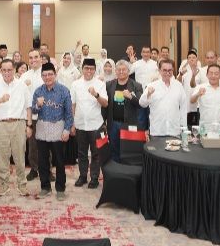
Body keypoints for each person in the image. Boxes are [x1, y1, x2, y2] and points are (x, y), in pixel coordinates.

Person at [0, 59, 32, 197]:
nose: (7, 73)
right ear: (0, 70)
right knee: (2, 156)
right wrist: (0, 100)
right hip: (0, 125)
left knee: (20, 156)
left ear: (14, 70)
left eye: (9, 70)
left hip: (18, 124)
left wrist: (29, 125)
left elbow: (28, 106)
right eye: (4, 70)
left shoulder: (21, 85)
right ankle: (4, 184)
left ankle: (22, 184)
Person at [31, 62, 73, 201]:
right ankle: (45, 187)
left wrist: (67, 129)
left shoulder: (64, 90)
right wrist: (38, 105)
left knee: (59, 161)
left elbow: (69, 113)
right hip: (42, 128)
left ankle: (60, 188)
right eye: (44, 75)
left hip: (58, 128)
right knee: (43, 161)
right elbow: (33, 110)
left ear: (55, 75)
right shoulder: (38, 91)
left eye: (50, 74)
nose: (47, 77)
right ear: (41, 76)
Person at [70, 58, 108, 189]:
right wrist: (72, 123)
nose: (89, 71)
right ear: (82, 69)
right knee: (81, 153)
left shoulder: (100, 84)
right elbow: (73, 104)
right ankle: (82, 176)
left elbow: (105, 103)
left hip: (96, 124)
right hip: (80, 124)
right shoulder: (75, 84)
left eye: (92, 69)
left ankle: (94, 178)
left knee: (96, 153)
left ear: (95, 70)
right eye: (86, 68)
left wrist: (96, 95)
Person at [103, 60, 143, 162]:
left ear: (128, 71)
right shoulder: (108, 85)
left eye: (123, 69)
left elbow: (140, 104)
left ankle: (126, 170)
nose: (121, 72)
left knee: (128, 151)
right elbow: (105, 106)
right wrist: (103, 122)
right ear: (115, 71)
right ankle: (115, 169)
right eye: (118, 70)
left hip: (129, 124)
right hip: (113, 124)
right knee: (113, 149)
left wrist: (131, 97)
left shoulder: (136, 86)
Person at [139, 59, 187, 137]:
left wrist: (184, 128)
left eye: (170, 70)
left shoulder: (179, 86)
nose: (167, 73)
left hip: (175, 131)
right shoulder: (152, 85)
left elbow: (183, 108)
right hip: (157, 131)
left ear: (173, 70)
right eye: (164, 70)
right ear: (159, 70)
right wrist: (148, 94)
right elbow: (142, 104)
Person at [22, 49, 45, 181]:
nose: (33, 60)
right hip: (30, 116)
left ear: (41, 58)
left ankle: (46, 169)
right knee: (32, 145)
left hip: (45, 116)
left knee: (46, 145)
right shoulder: (25, 76)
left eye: (36, 57)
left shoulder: (46, 73)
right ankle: (34, 169)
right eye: (30, 58)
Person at [130, 46, 160, 130]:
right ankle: (141, 136)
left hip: (153, 93)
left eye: (147, 52)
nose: (146, 54)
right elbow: (127, 73)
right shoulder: (136, 64)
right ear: (141, 53)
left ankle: (151, 136)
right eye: (144, 52)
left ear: (150, 54)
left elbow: (160, 76)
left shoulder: (155, 64)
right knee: (141, 117)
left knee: (152, 116)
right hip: (140, 93)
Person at [178, 50, 207, 126]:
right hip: (186, 99)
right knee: (187, 123)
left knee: (196, 123)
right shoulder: (184, 70)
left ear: (197, 59)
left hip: (198, 99)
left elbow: (203, 85)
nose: (191, 59)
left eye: (193, 57)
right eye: (189, 58)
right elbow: (178, 83)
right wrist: (181, 74)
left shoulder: (201, 71)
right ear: (187, 60)